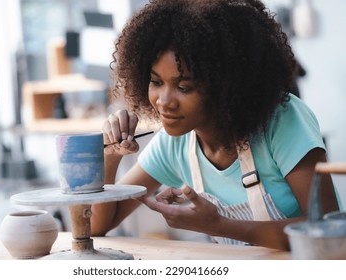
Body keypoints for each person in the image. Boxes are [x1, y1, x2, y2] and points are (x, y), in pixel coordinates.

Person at [91, 0, 339, 250]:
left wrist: (218, 225)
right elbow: (96, 225)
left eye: (183, 87)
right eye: (156, 82)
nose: (164, 102)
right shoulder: (174, 144)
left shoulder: (282, 121)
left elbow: (327, 230)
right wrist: (110, 156)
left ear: (225, 85)